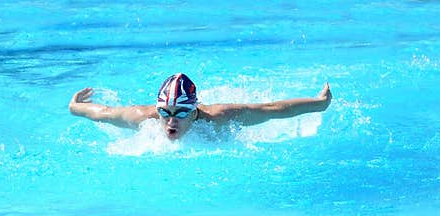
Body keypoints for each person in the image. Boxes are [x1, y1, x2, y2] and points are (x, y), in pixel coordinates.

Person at [68, 73, 332, 141]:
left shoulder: (218, 118)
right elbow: (102, 113)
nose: (171, 121)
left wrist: (319, 104)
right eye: (166, 112)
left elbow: (271, 108)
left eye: (181, 113)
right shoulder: (142, 118)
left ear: (194, 112)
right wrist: (75, 106)